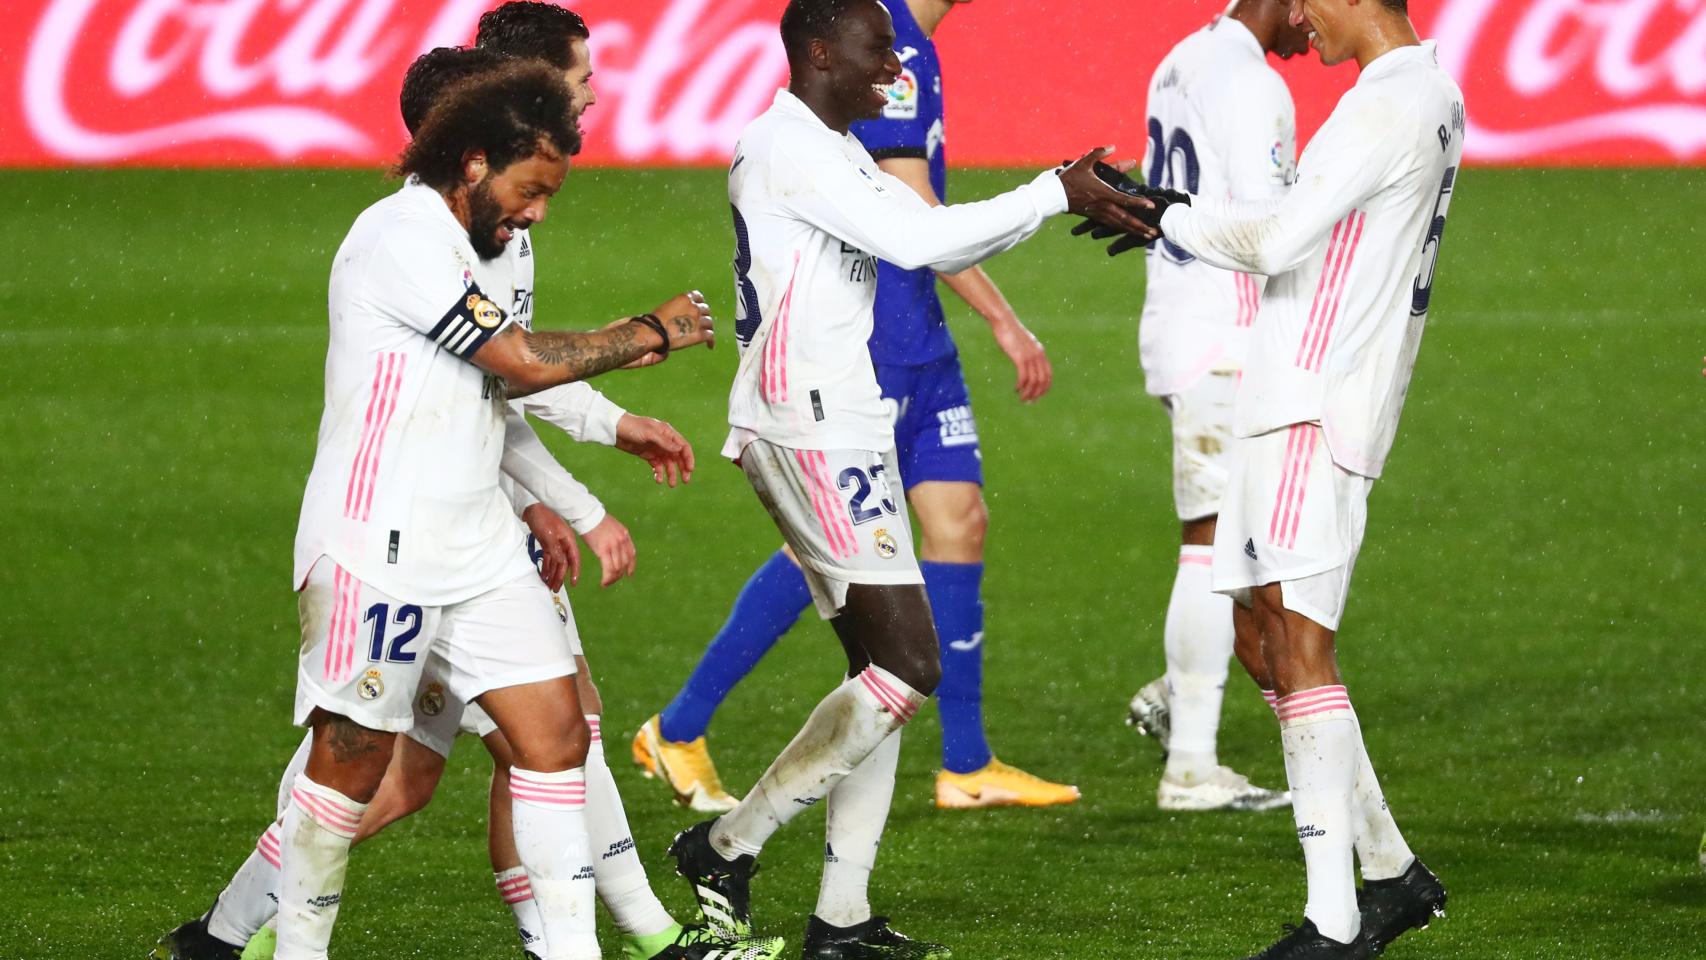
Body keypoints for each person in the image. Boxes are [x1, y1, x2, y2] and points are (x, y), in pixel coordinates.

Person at [158, 62, 714, 960]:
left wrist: (567, 478)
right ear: (471, 162)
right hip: (378, 546)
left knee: (556, 737)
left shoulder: (486, 242)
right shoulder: (400, 237)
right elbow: (520, 363)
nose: (537, 213)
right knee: (353, 769)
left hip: (479, 544)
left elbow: (495, 396)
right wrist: (648, 331)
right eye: (529, 191)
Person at [663, 1, 1154, 957]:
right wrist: (1055, 190)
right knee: (908, 666)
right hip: (808, 427)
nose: (893, 61)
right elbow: (924, 245)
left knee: (878, 674)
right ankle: (724, 845)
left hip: (840, 420)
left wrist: (1055, 203)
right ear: (818, 53)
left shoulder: (831, 149)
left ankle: (840, 914)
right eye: (875, 46)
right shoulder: (791, 149)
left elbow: (942, 235)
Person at [633, 0, 1079, 816]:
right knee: (843, 574)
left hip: (915, 336)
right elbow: (916, 220)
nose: (888, 65)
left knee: (951, 527)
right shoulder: (886, 46)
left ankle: (965, 761)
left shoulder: (898, 50)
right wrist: (1013, 298)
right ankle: (691, 743)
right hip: (872, 346)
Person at [1129, 0, 1461, 954]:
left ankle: (1333, 918)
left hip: (1310, 404)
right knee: (1260, 638)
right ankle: (1392, 871)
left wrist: (1169, 214)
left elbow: (1277, 241)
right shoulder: (1426, 95)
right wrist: (1175, 219)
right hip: (1289, 393)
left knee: (1299, 647)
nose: (1304, 12)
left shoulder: (1383, 107)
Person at [1120, 0, 1308, 813]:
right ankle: (1190, 763)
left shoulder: (1180, 58)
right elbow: (1273, 229)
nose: (1317, 25)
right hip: (1225, 335)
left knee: (1239, 541)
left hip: (1178, 318)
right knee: (1217, 543)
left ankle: (1182, 689)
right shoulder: (1251, 81)